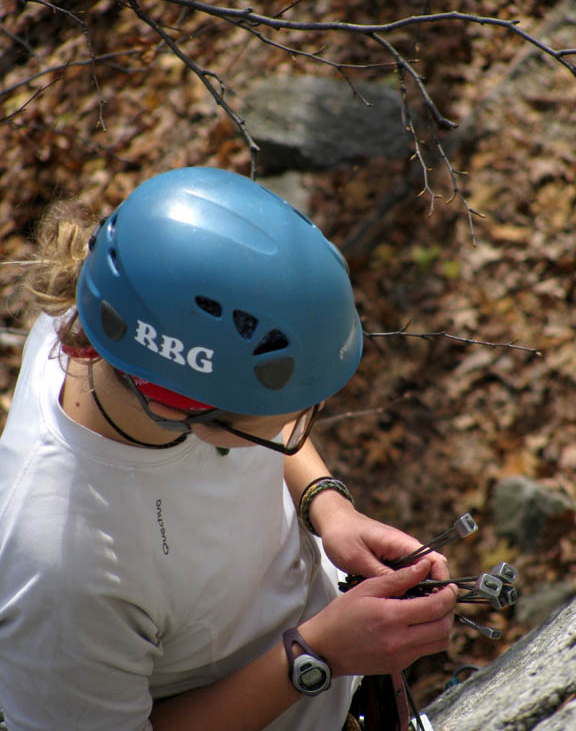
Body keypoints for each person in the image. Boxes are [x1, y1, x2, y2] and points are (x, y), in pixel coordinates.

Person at [0, 168, 456, 731]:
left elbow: (261, 420)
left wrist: (328, 506)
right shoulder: (62, 576)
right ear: (177, 403)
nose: (296, 432)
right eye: (283, 419)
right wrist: (317, 657)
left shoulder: (123, 308)